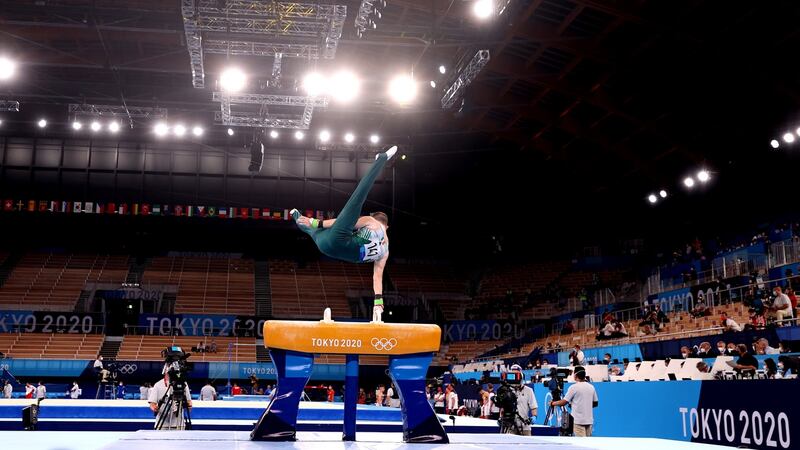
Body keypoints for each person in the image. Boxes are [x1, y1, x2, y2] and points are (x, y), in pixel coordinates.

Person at [291, 147, 397, 323]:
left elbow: (341, 222)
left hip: (335, 241)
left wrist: (317, 222)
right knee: (315, 233)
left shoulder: (372, 222)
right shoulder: (386, 252)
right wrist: (378, 301)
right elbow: (377, 276)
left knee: (357, 198)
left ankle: (381, 158)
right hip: (330, 251)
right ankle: (299, 219)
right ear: (389, 226)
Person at [550, 369, 598, 437]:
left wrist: (553, 403)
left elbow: (564, 402)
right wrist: (585, 405)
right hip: (589, 420)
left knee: (582, 445)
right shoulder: (591, 387)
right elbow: (595, 403)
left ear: (575, 376)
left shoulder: (573, 387)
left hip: (578, 421)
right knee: (588, 443)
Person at [502, 365, 537, 436]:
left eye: (516, 375)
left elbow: (533, 406)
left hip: (525, 425)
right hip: (511, 426)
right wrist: (501, 418)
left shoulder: (528, 390)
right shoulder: (507, 390)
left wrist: (534, 416)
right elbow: (503, 407)